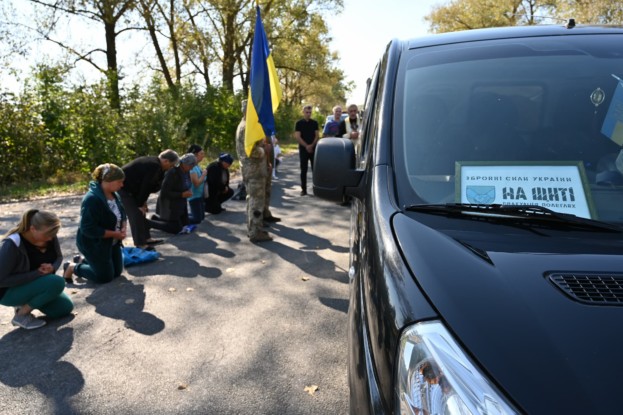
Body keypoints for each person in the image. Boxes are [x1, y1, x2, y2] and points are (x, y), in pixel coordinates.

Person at [0, 209, 74, 329]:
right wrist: (37, 273)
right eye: (47, 235)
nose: (50, 239)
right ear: (32, 229)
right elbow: (1, 281)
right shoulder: (12, 244)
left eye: (53, 234)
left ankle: (26, 302)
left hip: (35, 284)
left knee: (64, 308)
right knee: (57, 282)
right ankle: (21, 314)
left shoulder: (49, 235)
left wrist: (52, 267)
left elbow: (59, 257)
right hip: (7, 292)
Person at [62, 164, 127, 284]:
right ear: (107, 181)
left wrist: (123, 227)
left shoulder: (114, 194)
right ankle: (72, 267)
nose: (122, 185)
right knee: (105, 277)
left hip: (111, 242)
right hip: (94, 243)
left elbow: (122, 213)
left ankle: (81, 260)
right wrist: (115, 234)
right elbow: (87, 228)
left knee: (116, 272)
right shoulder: (92, 199)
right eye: (119, 181)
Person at [235, 100, 278, 242]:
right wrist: (264, 149)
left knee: (253, 200)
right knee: (256, 201)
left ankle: (253, 228)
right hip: (254, 170)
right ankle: (255, 232)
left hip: (255, 169)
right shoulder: (246, 127)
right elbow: (251, 151)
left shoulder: (248, 125)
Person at [119, 149, 179, 249]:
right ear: (166, 161)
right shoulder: (154, 166)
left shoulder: (156, 164)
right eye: (172, 165)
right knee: (136, 214)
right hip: (123, 189)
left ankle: (146, 238)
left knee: (142, 213)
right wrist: (140, 204)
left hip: (134, 189)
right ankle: (140, 243)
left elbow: (146, 186)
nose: (171, 168)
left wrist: (143, 202)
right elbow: (146, 186)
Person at [147, 153, 196, 234]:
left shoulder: (186, 171)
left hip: (180, 205)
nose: (192, 168)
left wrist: (188, 191)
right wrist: (181, 194)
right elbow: (165, 193)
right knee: (176, 229)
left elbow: (186, 185)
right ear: (183, 164)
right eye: (190, 166)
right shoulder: (172, 173)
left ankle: (156, 219)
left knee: (186, 224)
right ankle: (147, 223)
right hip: (169, 205)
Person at [294, 105, 320, 196]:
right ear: (303, 112)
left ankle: (316, 189)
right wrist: (306, 146)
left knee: (315, 170)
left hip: (313, 149)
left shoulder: (314, 123)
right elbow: (298, 136)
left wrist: (312, 145)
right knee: (303, 170)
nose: (308, 114)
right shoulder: (299, 123)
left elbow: (317, 135)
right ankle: (303, 190)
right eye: (307, 112)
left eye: (310, 112)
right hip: (303, 149)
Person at [187, 144, 208, 224]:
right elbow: (196, 184)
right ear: (195, 155)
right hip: (194, 197)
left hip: (199, 196)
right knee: (197, 220)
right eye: (201, 154)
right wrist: (203, 175)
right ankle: (176, 218)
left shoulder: (197, 166)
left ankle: (182, 215)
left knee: (201, 217)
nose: (203, 156)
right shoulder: (191, 168)